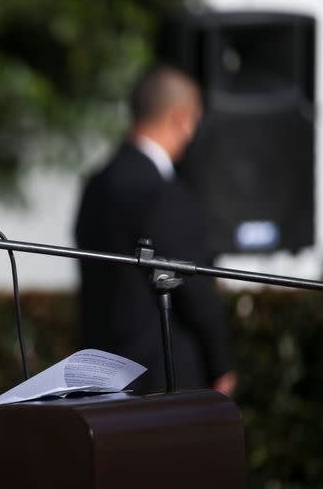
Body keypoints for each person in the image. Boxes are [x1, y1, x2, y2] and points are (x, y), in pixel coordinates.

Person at [74, 64, 236, 396]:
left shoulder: (97, 185)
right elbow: (194, 289)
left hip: (98, 375)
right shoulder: (162, 191)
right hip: (164, 376)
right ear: (181, 118)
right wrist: (220, 365)